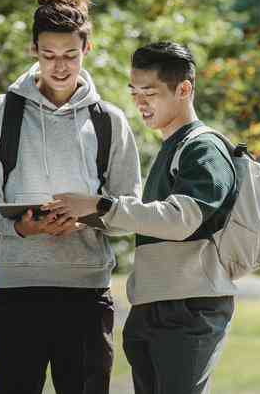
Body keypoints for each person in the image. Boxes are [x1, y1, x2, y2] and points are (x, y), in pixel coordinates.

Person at [0, 0, 141, 394]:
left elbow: (129, 209)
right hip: (17, 291)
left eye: (70, 54)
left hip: (86, 292)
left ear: (87, 49)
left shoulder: (109, 121)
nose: (59, 66)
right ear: (33, 51)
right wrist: (26, 226)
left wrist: (88, 217)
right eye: (48, 55)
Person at [52, 41, 238, 394]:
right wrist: (85, 217)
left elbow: (182, 219)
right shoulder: (173, 147)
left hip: (189, 308)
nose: (139, 103)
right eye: (134, 92)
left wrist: (100, 204)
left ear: (184, 89)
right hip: (153, 305)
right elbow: (149, 219)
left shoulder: (203, 148)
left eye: (149, 93)